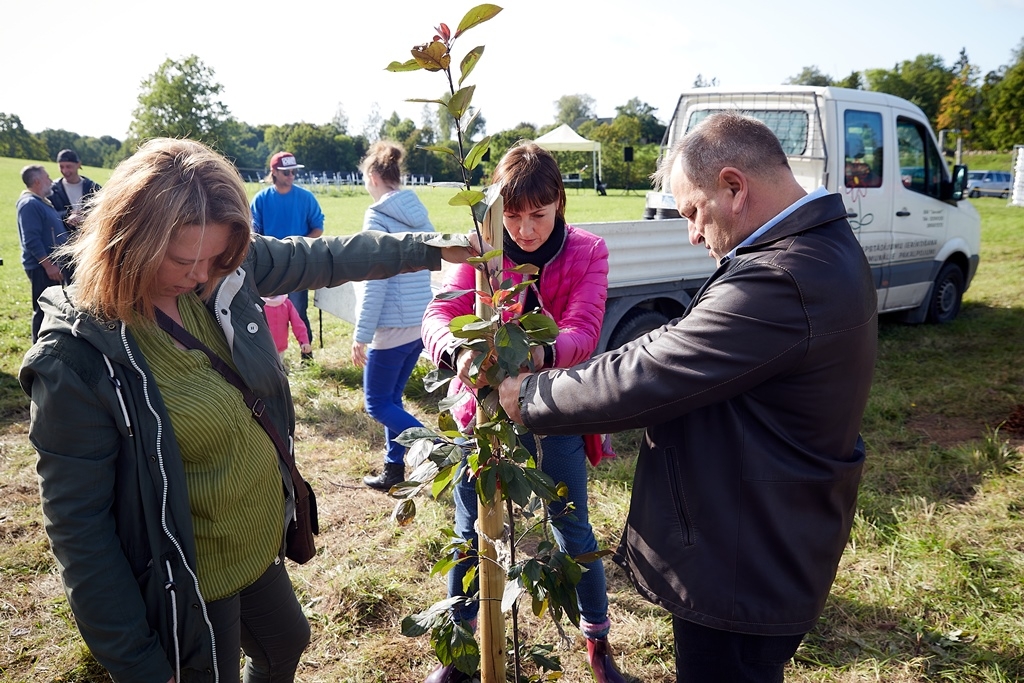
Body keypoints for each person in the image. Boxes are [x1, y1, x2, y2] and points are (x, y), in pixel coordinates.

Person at [19, 138, 473, 683]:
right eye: (186, 260)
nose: (201, 274)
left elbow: (324, 256)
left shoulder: (223, 272)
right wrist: (137, 664)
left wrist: (432, 248)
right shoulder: (77, 359)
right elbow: (79, 531)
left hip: (256, 545)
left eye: (218, 257)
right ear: (128, 241)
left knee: (286, 642)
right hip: (191, 577)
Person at [498, 112, 878, 682]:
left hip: (740, 564)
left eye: (692, 213)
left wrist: (531, 396)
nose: (693, 234)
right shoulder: (812, 251)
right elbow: (679, 343)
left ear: (733, 186)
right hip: (761, 540)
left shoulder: (783, 277)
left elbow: (656, 369)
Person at [421, 141, 625, 683]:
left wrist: (530, 358)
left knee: (571, 529)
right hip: (483, 416)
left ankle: (597, 644)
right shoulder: (486, 250)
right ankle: (461, 653)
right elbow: (440, 312)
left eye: (538, 214)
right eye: (512, 216)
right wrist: (458, 351)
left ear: (559, 201)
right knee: (470, 534)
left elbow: (583, 330)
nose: (526, 230)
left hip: (556, 406)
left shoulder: (587, 251)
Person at [353, 141, 437, 491]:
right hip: (418, 323)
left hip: (391, 327)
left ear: (373, 176)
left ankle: (435, 447)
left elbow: (376, 282)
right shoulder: (418, 212)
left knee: (376, 403)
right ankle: (393, 469)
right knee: (392, 399)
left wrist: (362, 334)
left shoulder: (376, 217)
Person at [250, 151, 324, 358]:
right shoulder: (261, 200)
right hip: (268, 266)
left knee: (298, 310)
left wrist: (297, 247)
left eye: (293, 171)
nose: (291, 175)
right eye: (286, 172)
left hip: (297, 265)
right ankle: (266, 356)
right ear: (274, 172)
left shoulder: (306, 198)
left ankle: (307, 355)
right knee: (264, 311)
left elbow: (318, 228)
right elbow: (253, 232)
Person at [16, 164, 69, 342]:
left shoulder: (40, 202)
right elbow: (31, 239)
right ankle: (37, 353)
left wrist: (67, 216)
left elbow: (49, 222)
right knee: (43, 308)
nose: (50, 181)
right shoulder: (29, 204)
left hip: (50, 267)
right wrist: (48, 265)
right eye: (47, 177)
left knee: (52, 307)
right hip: (42, 268)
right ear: (37, 181)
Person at [49, 148, 102, 231]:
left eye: (68, 166)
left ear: (78, 164)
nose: (65, 170)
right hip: (62, 240)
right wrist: (67, 216)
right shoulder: (52, 189)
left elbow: (103, 212)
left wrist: (85, 218)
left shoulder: (94, 188)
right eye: (61, 167)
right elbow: (46, 214)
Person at [262, 294, 312, 363]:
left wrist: (304, 341)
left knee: (277, 369)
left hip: (279, 349)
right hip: (261, 348)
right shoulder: (257, 304)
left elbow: (297, 324)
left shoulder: (286, 303)